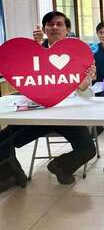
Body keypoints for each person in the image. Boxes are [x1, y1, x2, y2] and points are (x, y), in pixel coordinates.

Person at [0, 11, 96, 193]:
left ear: (67, 29)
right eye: (50, 24)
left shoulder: (78, 54)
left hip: (67, 114)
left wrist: (88, 76)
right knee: (4, 140)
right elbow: (22, 79)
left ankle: (60, 167)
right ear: (44, 29)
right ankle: (11, 173)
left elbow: (82, 88)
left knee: (87, 149)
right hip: (38, 111)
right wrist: (34, 48)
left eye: (59, 24)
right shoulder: (32, 52)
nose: (54, 27)